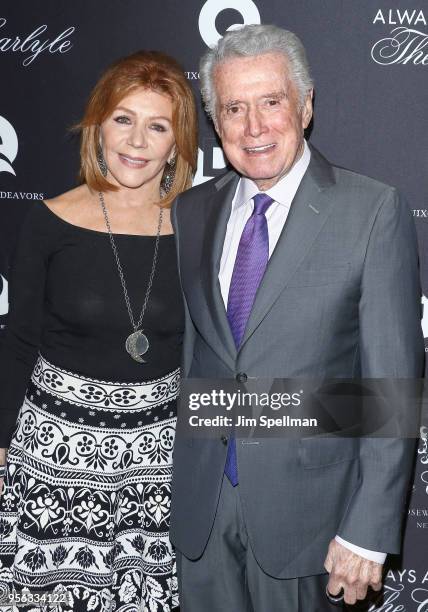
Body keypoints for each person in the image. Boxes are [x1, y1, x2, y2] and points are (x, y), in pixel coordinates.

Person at [169, 24, 424, 611]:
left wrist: (369, 528)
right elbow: (201, 361)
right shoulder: (192, 211)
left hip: (313, 518)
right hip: (203, 511)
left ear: (305, 107)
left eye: (271, 102)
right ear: (215, 120)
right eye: (234, 107)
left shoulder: (371, 210)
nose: (254, 127)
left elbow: (390, 383)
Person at [0, 50, 197, 611]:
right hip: (54, 457)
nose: (136, 141)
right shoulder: (49, 221)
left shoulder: (199, 224)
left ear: (177, 142)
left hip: (155, 463)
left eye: (156, 126)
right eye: (123, 119)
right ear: (98, 126)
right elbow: (17, 345)